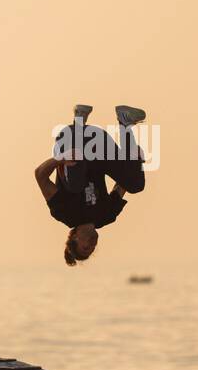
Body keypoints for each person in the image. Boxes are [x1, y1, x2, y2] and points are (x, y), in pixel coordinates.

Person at [34, 104, 147, 266]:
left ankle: (79, 119)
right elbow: (122, 186)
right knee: (135, 185)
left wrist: (61, 159)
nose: (92, 245)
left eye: (86, 247)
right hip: (98, 145)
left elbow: (40, 175)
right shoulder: (106, 216)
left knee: (75, 184)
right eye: (92, 249)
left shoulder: (64, 213)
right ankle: (125, 121)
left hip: (69, 142)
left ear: (74, 238)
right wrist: (135, 163)